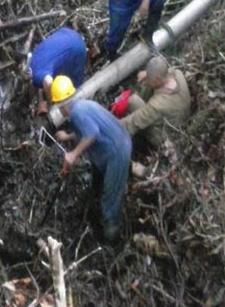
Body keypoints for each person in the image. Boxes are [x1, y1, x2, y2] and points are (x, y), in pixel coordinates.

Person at [52, 75, 132, 242]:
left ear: (61, 106)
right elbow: (87, 129)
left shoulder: (76, 114)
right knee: (98, 176)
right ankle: (95, 195)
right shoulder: (82, 106)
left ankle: (111, 235)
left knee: (110, 197)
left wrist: (73, 154)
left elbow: (93, 133)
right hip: (114, 143)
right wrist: (68, 137)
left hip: (117, 152)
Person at [119, 56, 191, 147]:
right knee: (149, 87)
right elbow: (167, 71)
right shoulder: (177, 73)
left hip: (167, 137)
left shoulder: (157, 105)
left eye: (149, 78)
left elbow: (133, 122)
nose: (147, 80)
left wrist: (110, 124)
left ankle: (142, 142)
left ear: (157, 79)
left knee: (134, 101)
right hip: (179, 121)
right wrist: (148, 74)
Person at [29, 27, 87, 114]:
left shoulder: (37, 76)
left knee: (74, 85)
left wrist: (50, 103)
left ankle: (78, 107)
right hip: (67, 33)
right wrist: (40, 100)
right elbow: (40, 84)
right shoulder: (32, 62)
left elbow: (48, 82)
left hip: (77, 49)